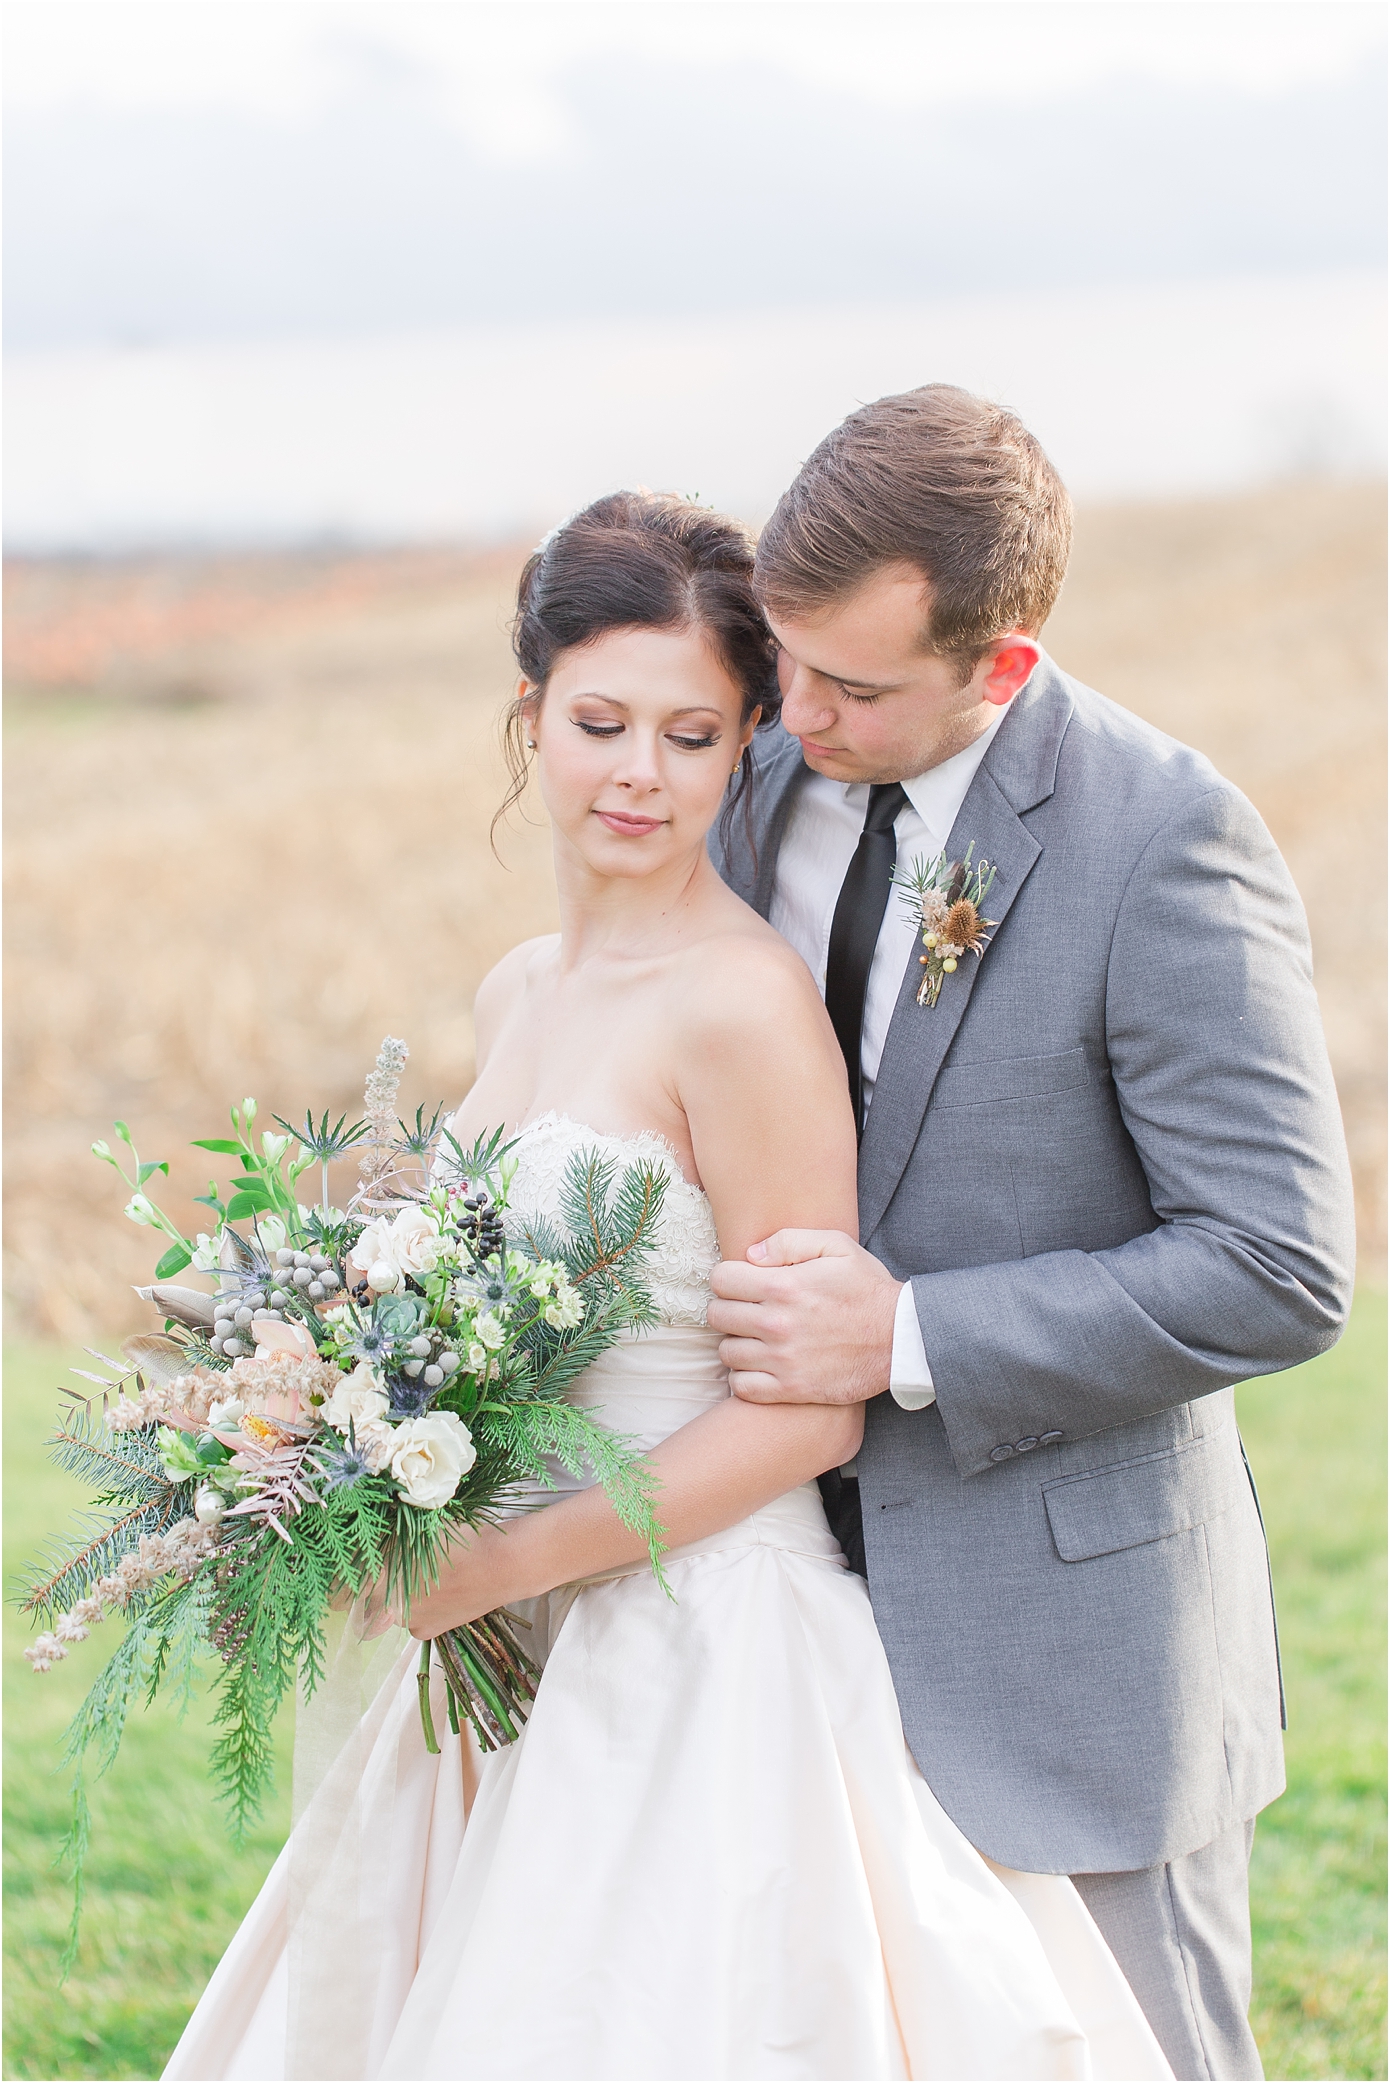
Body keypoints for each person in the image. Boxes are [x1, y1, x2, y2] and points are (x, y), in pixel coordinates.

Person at [165, 490, 1171, 2082]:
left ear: (746, 746)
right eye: (602, 721)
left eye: (694, 736)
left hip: (704, 1651)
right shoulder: (518, 988)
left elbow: (807, 1419)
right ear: (531, 715)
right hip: (509, 1659)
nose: (640, 773)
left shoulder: (744, 1011)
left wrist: (498, 1565)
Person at [704, 385, 1357, 2083]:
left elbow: (1277, 1265)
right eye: (786, 662)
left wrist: (906, 1339)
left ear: (1000, 667)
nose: (794, 715)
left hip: (1067, 1661)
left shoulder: (1162, 841)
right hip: (772, 1618)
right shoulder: (765, 782)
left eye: (852, 686)